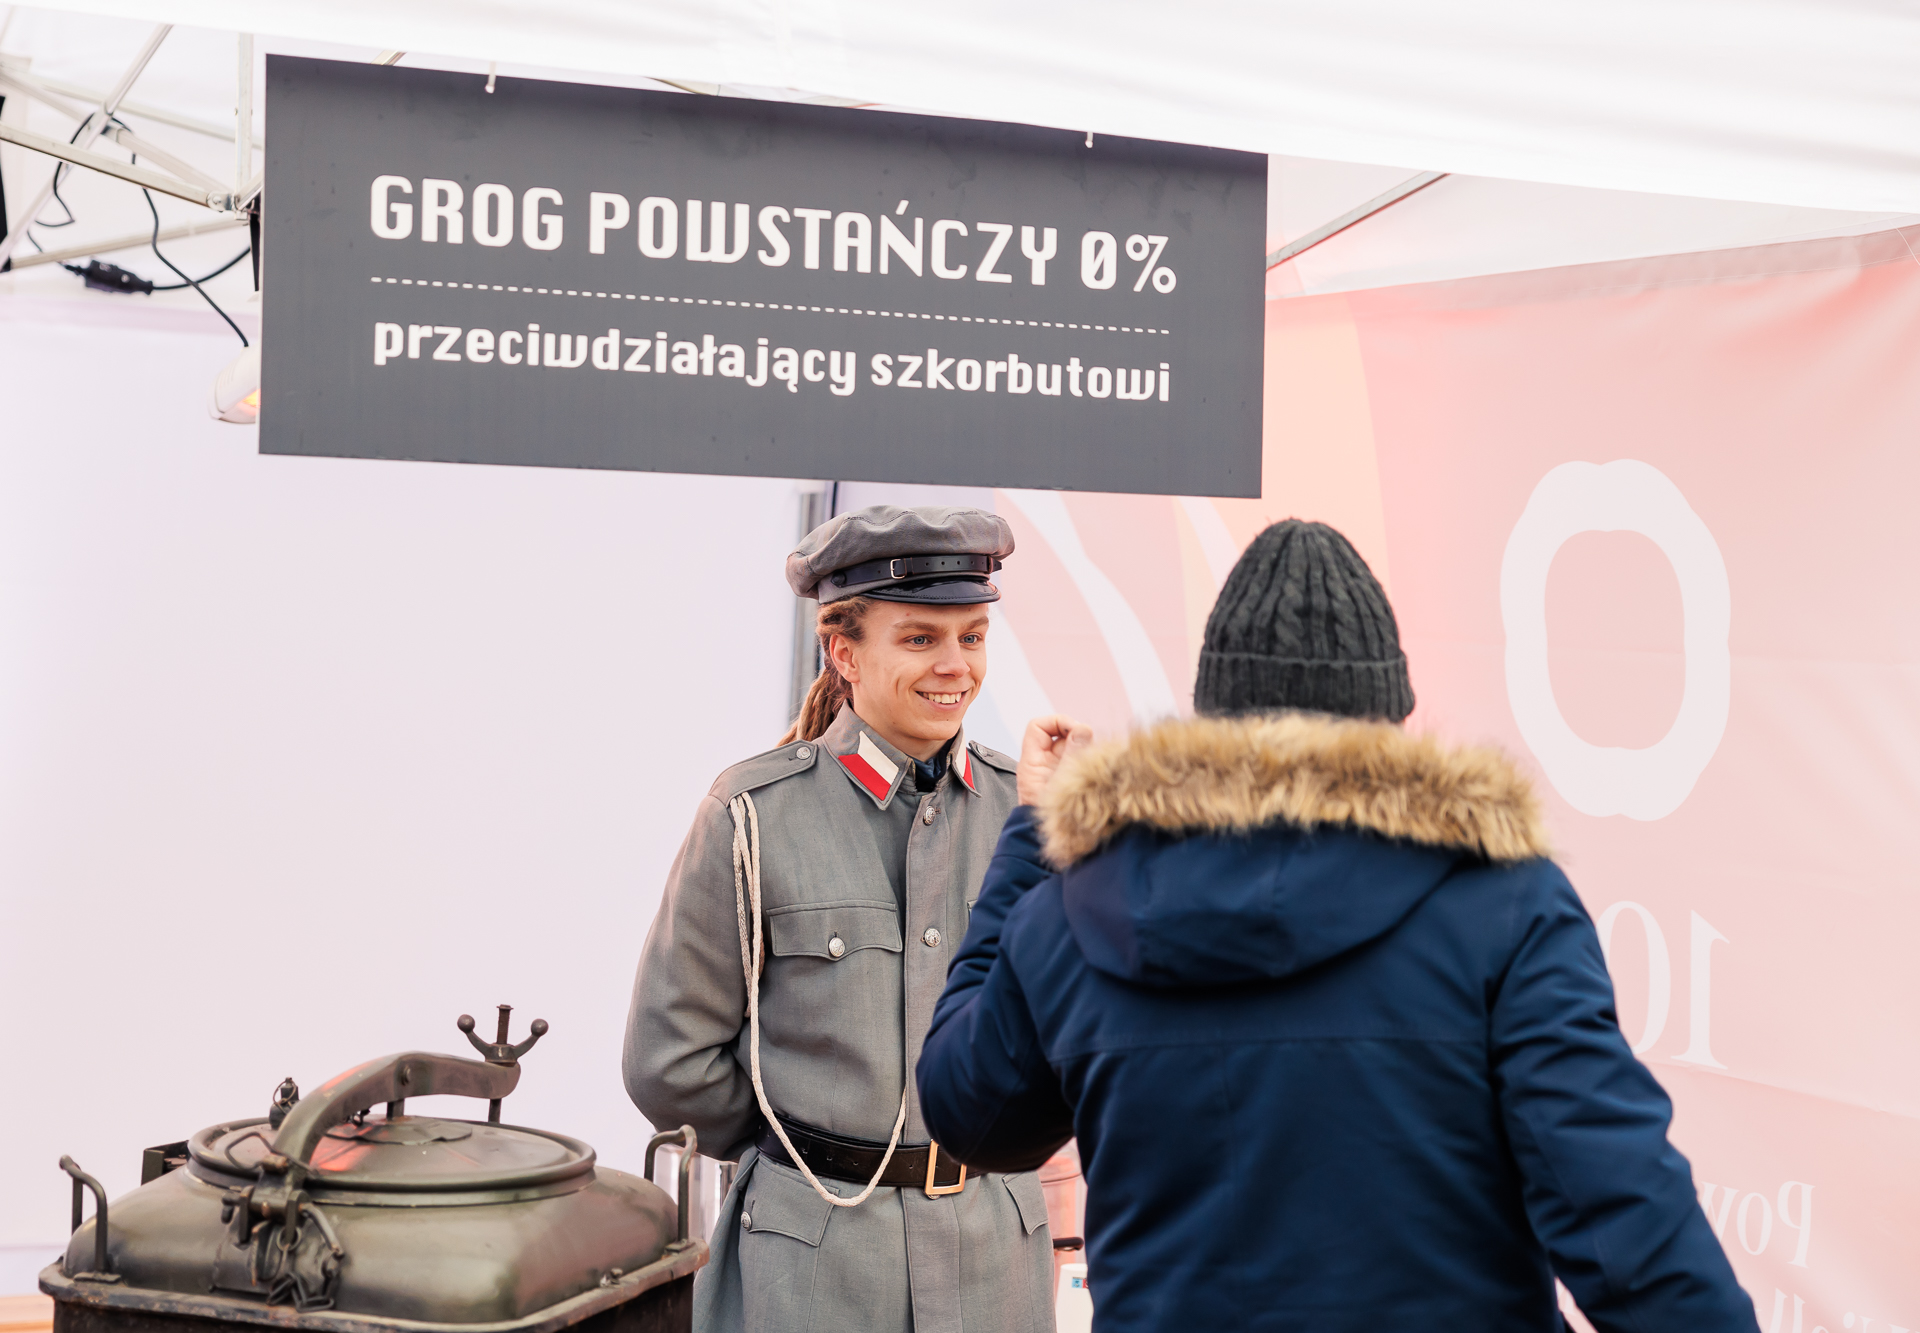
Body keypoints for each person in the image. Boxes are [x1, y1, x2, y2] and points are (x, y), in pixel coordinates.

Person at [915, 519, 1759, 1332]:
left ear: (1213, 715)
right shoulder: (1503, 902)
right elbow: (1624, 1218)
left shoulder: (1071, 907)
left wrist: (1034, 838)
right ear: (1389, 718)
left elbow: (972, 1115)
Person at [623, 505, 1058, 1333]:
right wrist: (805, 1149)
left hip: (995, 1265)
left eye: (971, 636)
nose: (955, 667)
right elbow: (669, 1062)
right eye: (920, 638)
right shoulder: (753, 814)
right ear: (843, 650)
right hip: (811, 1271)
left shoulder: (1029, 811)